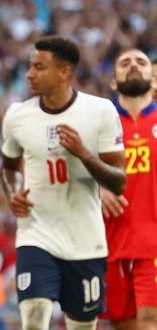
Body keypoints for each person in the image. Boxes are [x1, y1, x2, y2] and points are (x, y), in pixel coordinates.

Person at [0, 35, 126, 330]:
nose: (30, 74)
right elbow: (7, 168)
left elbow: (119, 182)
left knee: (82, 325)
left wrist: (84, 154)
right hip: (36, 235)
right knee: (34, 317)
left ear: (64, 72)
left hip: (85, 242)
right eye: (30, 66)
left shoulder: (100, 112)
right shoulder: (17, 116)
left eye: (39, 67)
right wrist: (11, 193)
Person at [100, 48, 157, 330]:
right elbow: (74, 176)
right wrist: (97, 190)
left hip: (153, 244)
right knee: (125, 326)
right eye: (125, 63)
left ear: (153, 78)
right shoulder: (99, 126)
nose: (133, 65)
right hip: (113, 244)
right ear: (114, 81)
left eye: (141, 62)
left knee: (149, 323)